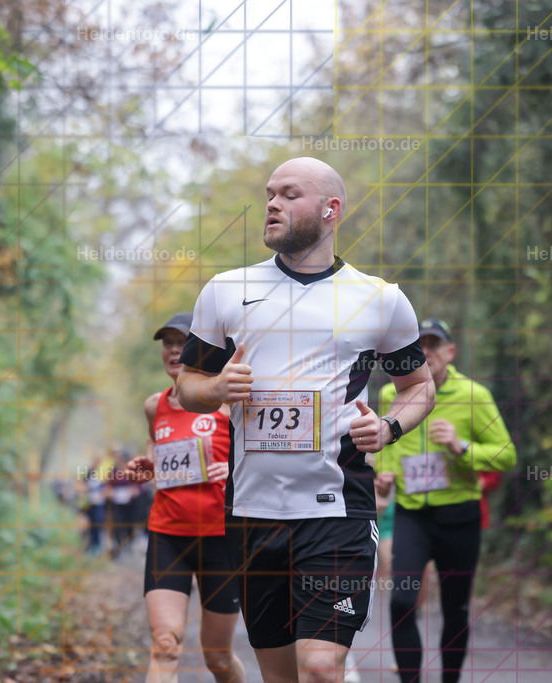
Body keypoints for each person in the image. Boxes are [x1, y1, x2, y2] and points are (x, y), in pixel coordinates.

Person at [175, 157, 436, 683]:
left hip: (336, 509)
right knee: (281, 676)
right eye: (270, 193)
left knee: (319, 668)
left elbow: (419, 386)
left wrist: (388, 428)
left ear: (330, 209)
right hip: (252, 512)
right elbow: (188, 388)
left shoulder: (380, 299)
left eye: (289, 194)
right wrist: (218, 388)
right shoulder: (226, 290)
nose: (271, 203)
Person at [374, 318, 517, 683]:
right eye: (418, 344)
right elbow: (391, 445)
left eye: (434, 345)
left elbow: (506, 455)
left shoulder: (475, 395)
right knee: (402, 602)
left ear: (450, 352)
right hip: (411, 514)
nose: (425, 352)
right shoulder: (393, 394)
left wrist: (460, 446)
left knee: (455, 608)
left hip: (459, 516)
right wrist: (384, 477)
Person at [123, 313, 246, 683]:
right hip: (168, 536)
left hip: (222, 540)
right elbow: (158, 455)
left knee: (218, 658)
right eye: (168, 343)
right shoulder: (153, 406)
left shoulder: (227, 402)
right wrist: (147, 468)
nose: (175, 350)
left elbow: (262, 455)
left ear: (201, 348)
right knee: (165, 644)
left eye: (183, 342)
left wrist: (238, 470)